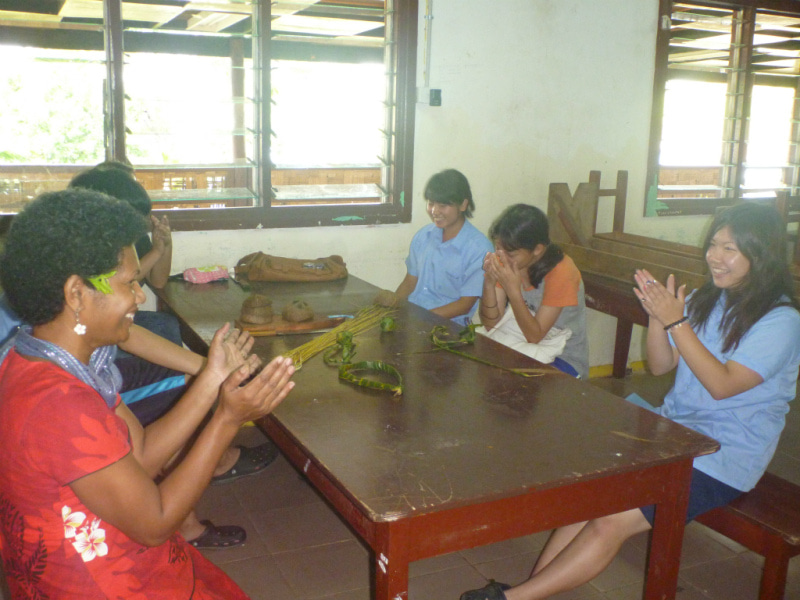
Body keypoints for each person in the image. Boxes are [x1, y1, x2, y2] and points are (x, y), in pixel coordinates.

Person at [460, 202, 800, 600]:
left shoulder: (781, 321)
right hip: (675, 431)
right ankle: (528, 592)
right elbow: (660, 365)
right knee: (593, 493)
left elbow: (722, 386)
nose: (714, 256)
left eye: (730, 249)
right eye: (713, 244)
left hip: (726, 453)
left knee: (612, 519)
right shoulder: (710, 299)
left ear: (761, 255)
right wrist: (657, 318)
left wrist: (676, 321)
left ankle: (513, 598)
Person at [0, 189, 296, 599]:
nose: (140, 296)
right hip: (96, 584)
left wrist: (212, 378)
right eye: (130, 283)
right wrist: (227, 419)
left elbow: (138, 458)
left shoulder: (56, 360)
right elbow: (154, 524)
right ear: (76, 294)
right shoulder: (59, 404)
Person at [478, 204, 588, 379]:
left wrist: (513, 291)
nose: (501, 256)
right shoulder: (508, 261)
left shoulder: (562, 271)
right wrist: (489, 284)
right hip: (521, 344)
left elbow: (534, 336)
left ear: (537, 249)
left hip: (564, 358)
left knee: (509, 382)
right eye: (497, 248)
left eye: (510, 254)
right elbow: (492, 326)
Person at [394, 169, 493, 326]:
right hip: (413, 317)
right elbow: (410, 281)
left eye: (443, 205)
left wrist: (419, 319)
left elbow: (465, 304)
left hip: (448, 327)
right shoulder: (423, 236)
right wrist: (392, 307)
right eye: (431, 203)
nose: (434, 211)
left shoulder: (479, 249)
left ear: (463, 205)